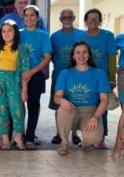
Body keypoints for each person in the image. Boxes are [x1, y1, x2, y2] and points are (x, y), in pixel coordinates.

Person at [54, 41, 110, 155]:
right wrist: (62, 100)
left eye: (85, 52)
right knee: (62, 110)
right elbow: (56, 97)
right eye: (77, 53)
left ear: (89, 55)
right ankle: (64, 143)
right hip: (71, 110)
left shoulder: (99, 73)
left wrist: (95, 117)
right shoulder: (65, 73)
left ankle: (87, 141)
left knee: (94, 138)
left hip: (90, 113)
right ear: (73, 56)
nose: (81, 55)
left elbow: (105, 99)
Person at [76, 8, 116, 149]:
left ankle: (101, 138)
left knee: (102, 109)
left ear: (100, 21)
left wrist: (112, 79)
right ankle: (86, 137)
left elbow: (111, 58)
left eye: (96, 19)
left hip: (102, 78)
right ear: (85, 21)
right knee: (86, 108)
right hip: (85, 78)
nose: (92, 21)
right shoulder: (80, 36)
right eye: (90, 19)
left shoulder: (108, 36)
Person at [0, 20, 29, 150]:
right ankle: (5, 140)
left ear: (15, 32)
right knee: (2, 113)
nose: (6, 33)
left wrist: (24, 91)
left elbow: (25, 71)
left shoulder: (21, 49)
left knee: (18, 112)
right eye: (4, 31)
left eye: (10, 30)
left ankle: (18, 137)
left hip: (15, 86)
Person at [49, 8, 83, 145]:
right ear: (60, 20)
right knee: (59, 106)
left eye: (70, 17)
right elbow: (51, 56)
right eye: (64, 18)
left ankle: (74, 133)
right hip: (58, 76)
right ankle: (59, 133)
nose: (67, 20)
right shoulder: (54, 36)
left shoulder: (81, 35)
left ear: (74, 18)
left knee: (75, 106)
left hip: (77, 77)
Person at [20, 5, 52, 150]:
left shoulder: (43, 35)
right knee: (18, 107)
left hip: (35, 74)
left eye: (32, 15)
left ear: (37, 18)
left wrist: (32, 71)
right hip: (18, 75)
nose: (29, 18)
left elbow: (47, 58)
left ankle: (30, 138)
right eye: (26, 15)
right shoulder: (18, 33)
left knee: (33, 107)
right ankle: (19, 135)